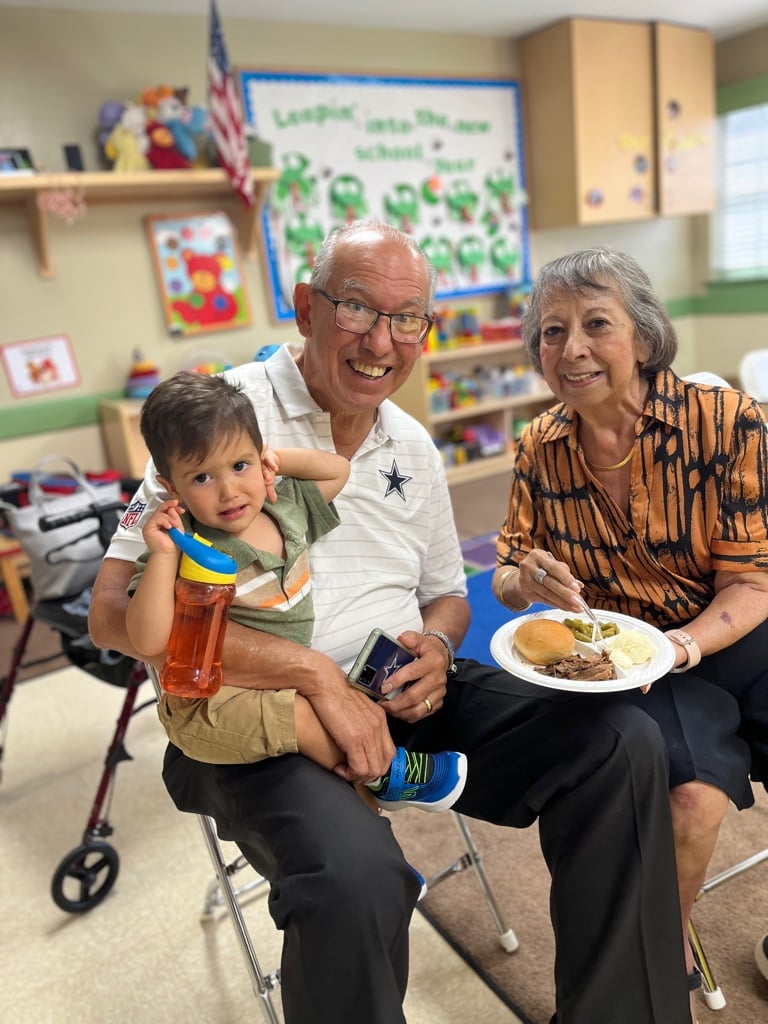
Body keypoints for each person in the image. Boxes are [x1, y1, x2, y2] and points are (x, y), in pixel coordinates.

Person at [89, 220, 691, 1024]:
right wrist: (312, 679)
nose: (383, 340)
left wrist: (440, 645)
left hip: (399, 693)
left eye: (409, 318)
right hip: (255, 722)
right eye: (357, 308)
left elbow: (446, 592)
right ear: (306, 308)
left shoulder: (412, 441)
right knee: (359, 875)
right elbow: (110, 617)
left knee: (621, 742)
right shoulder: (220, 420)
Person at [492, 246, 768, 1021]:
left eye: (595, 324)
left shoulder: (727, 424)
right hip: (634, 657)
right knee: (689, 798)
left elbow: (751, 583)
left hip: (736, 628)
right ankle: (658, 945)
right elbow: (509, 568)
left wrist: (688, 643)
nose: (570, 348)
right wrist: (527, 581)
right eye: (551, 332)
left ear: (643, 339)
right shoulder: (541, 448)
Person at [126, 370, 467, 815]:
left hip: (279, 687)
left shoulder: (284, 508)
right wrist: (162, 556)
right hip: (213, 702)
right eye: (202, 478)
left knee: (328, 709)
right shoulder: (184, 546)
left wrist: (276, 461)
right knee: (310, 719)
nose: (229, 490)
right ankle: (386, 780)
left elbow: (338, 470)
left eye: (239, 465)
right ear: (172, 487)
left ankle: (375, 816)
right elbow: (149, 641)